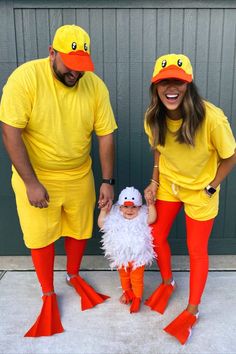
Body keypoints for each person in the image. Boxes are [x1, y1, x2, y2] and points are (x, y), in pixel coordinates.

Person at [0, 24, 117, 337]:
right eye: (70, 65)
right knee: (41, 234)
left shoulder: (94, 86)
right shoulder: (26, 78)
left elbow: (105, 134)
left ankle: (73, 275)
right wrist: (30, 182)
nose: (76, 74)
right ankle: (48, 292)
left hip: (79, 173)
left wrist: (107, 179)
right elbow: (10, 131)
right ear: (52, 53)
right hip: (38, 176)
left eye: (81, 67)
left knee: (80, 228)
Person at [143, 53, 236, 344]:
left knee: (197, 249)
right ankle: (168, 282)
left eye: (178, 82)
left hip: (200, 191)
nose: (171, 88)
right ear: (156, 86)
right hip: (169, 184)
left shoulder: (212, 118)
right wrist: (154, 180)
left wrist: (211, 187)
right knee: (155, 236)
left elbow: (230, 156)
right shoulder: (153, 118)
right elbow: (158, 148)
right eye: (164, 81)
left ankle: (192, 309)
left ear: (189, 84)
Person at [98, 186, 157, 313]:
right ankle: (127, 292)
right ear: (119, 207)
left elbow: (152, 219)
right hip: (122, 257)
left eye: (134, 207)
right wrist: (103, 211)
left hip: (138, 258)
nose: (129, 210)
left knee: (136, 278)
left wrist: (151, 205)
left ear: (140, 208)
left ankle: (137, 297)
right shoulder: (116, 218)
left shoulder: (142, 218)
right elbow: (102, 224)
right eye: (126, 207)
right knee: (124, 276)